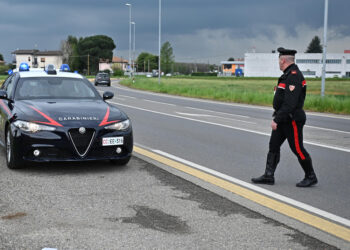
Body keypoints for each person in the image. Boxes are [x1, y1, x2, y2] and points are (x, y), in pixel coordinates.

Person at [251, 47, 318, 187]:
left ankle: (311, 176)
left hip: (291, 119)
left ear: (282, 60)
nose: (278, 63)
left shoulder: (293, 76)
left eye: (279, 60)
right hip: (284, 118)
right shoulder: (287, 74)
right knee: (273, 145)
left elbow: (290, 103)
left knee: (297, 148)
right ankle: (269, 175)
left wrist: (277, 119)